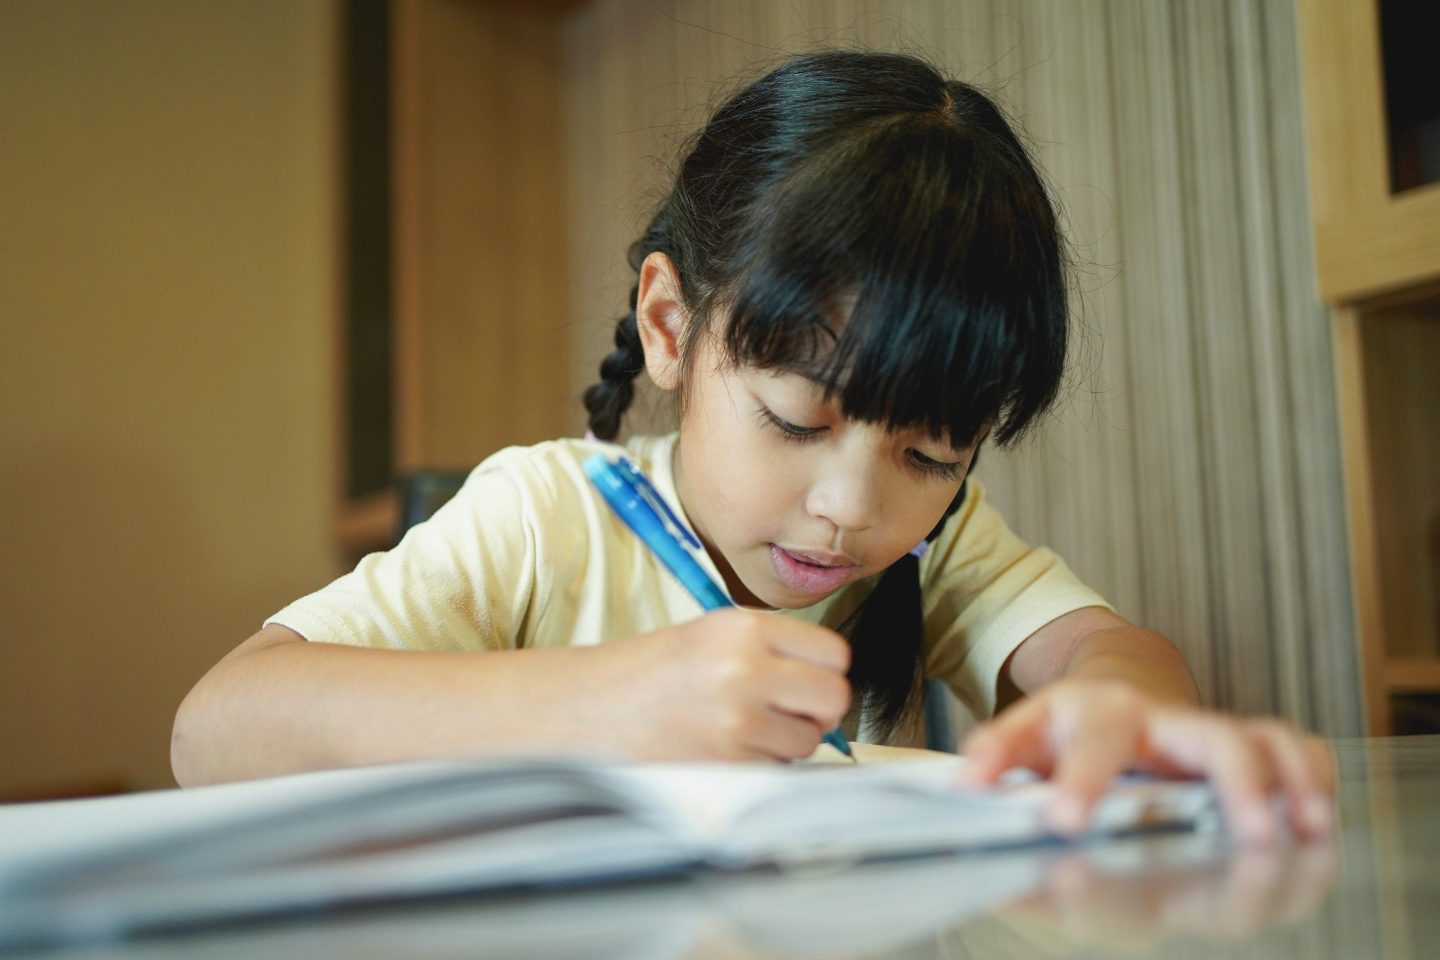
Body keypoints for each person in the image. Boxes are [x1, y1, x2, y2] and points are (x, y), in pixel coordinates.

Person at [172, 50, 1333, 844]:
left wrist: (1122, 708)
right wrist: (598, 703)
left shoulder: (930, 550)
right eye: (796, 419)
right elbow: (216, 731)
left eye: (933, 454)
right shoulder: (544, 516)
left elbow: (1103, 653)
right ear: (671, 327)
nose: (850, 508)